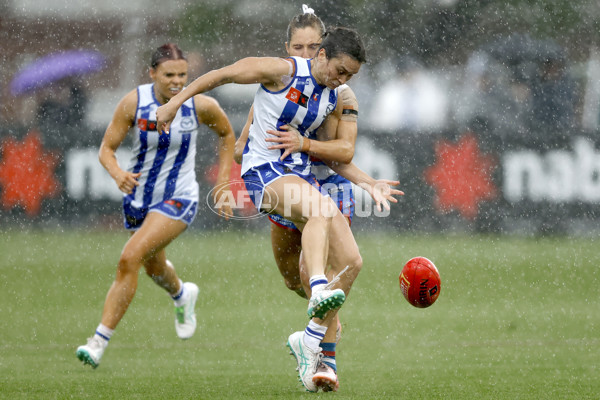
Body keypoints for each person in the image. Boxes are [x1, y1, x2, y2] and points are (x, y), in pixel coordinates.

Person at [156, 26, 370, 392]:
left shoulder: (332, 95)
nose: (343, 79)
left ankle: (310, 338)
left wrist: (370, 182)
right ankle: (318, 289)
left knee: (353, 262)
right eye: (341, 71)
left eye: (350, 75)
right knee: (318, 214)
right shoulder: (281, 70)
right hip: (264, 174)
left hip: (302, 179)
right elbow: (222, 75)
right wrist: (176, 102)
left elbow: (338, 155)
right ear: (321, 55)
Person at [232, 6, 402, 392]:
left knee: (327, 273)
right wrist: (244, 142)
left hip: (328, 187)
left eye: (313, 46)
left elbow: (343, 152)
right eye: (298, 47)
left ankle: (323, 359)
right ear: (288, 48)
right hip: (286, 184)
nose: (306, 53)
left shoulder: (340, 91)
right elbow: (255, 129)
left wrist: (309, 146)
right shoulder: (282, 80)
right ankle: (313, 335)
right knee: (296, 281)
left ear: (324, 47)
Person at [76, 43, 235, 369]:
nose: (177, 81)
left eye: (183, 75)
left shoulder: (200, 105)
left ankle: (97, 342)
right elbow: (106, 149)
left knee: (129, 259)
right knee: (153, 268)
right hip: (139, 199)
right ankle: (181, 294)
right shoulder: (135, 103)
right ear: (152, 74)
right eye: (169, 75)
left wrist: (222, 181)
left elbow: (227, 134)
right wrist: (117, 172)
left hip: (180, 197)